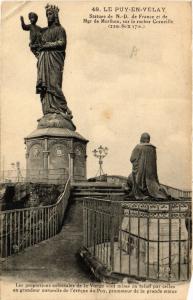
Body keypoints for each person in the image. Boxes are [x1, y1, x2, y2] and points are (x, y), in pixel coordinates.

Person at [34, 4, 72, 120]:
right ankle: (48, 111)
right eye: (47, 14)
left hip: (55, 61)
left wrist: (46, 46)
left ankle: (64, 109)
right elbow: (40, 48)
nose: (48, 16)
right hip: (44, 62)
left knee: (54, 84)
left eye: (50, 14)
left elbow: (62, 43)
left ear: (55, 15)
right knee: (45, 88)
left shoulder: (60, 30)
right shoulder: (44, 32)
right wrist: (36, 49)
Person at [127, 133, 168, 200]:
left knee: (133, 177)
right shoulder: (153, 148)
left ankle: (140, 193)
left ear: (142, 138)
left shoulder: (138, 147)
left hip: (139, 175)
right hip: (151, 177)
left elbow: (132, 159)